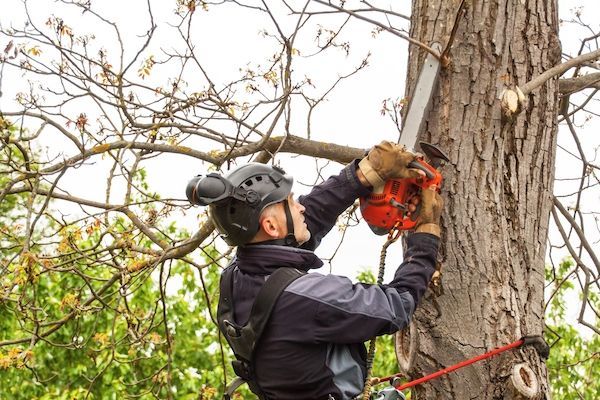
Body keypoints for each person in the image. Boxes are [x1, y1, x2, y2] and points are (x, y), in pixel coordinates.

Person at [186, 141, 443, 400]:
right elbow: (396, 306)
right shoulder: (308, 297)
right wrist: (425, 237)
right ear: (271, 226)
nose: (301, 207)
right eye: (290, 202)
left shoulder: (236, 276)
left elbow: (310, 218)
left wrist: (362, 175)